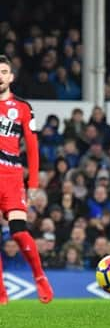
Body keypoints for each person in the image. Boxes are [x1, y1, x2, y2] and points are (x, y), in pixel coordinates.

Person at [0, 55, 53, 305]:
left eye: (4, 71)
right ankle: (1, 293)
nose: (0, 76)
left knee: (19, 232)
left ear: (11, 77)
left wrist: (33, 185)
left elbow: (32, 148)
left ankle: (40, 277)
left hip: (11, 177)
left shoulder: (22, 107)